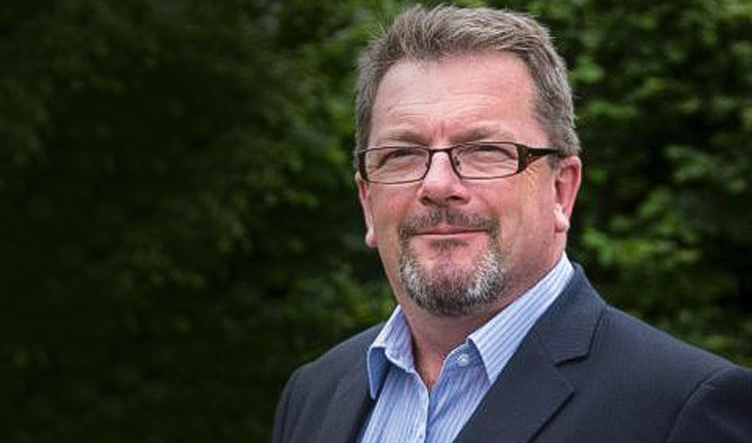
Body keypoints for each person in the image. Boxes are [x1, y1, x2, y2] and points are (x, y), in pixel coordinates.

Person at [271, 5, 752, 443]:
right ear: (366, 200)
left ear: (561, 190)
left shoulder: (682, 410)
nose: (438, 184)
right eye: (402, 154)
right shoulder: (314, 395)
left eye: (485, 150)